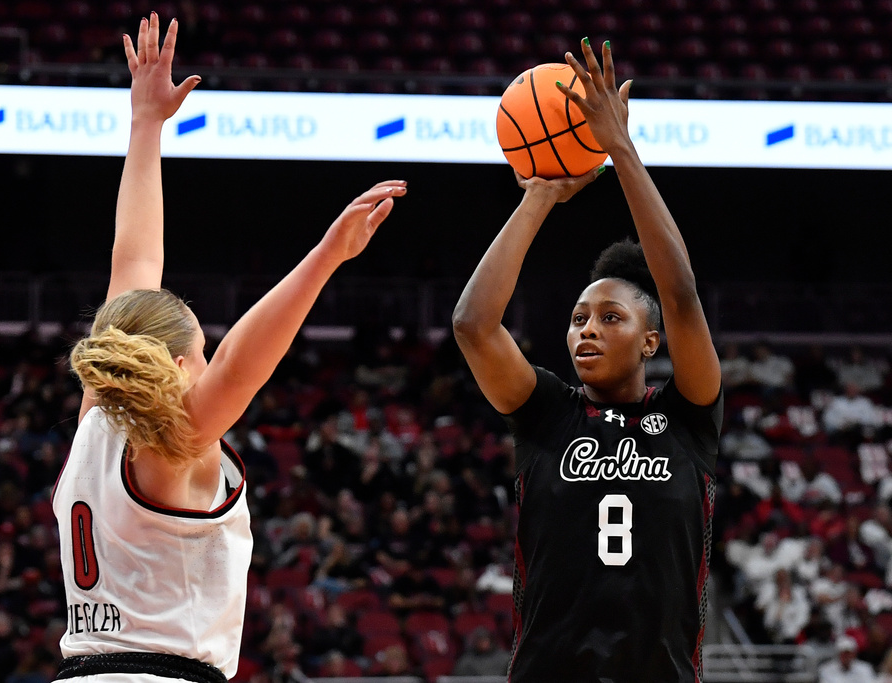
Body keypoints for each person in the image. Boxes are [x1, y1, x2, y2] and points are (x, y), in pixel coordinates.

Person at [53, 13, 406, 682]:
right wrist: (326, 256)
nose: (212, 362)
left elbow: (134, 262)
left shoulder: (96, 413)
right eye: (203, 350)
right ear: (178, 367)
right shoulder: (172, 437)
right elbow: (245, 367)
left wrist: (146, 126)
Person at [453, 39, 722, 682]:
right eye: (578, 319)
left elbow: (681, 295)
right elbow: (472, 325)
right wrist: (539, 196)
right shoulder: (548, 413)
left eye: (610, 318)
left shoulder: (688, 417)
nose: (588, 332)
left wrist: (620, 149)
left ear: (651, 341)